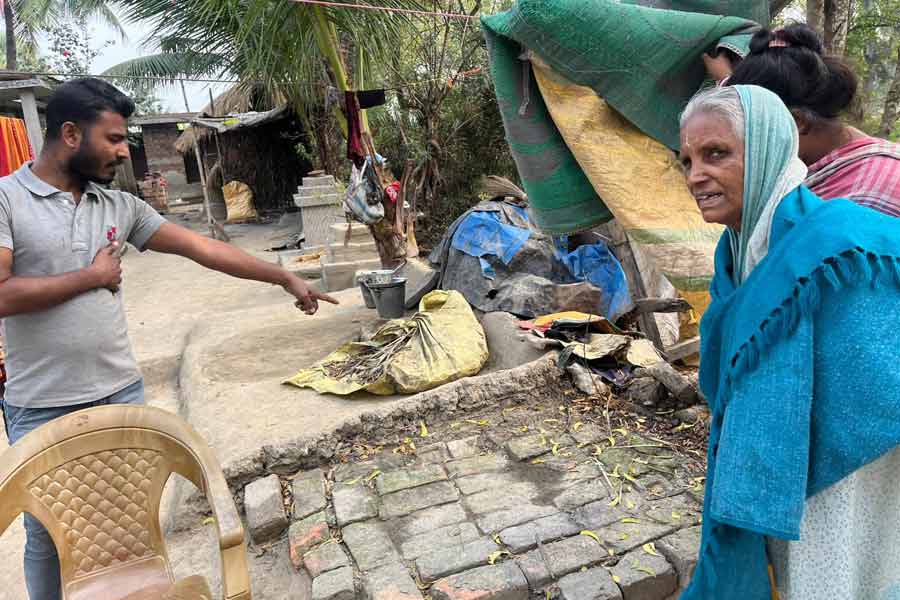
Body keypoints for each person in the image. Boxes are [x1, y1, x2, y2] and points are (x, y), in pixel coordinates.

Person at [0, 77, 337, 600]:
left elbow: (202, 249)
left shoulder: (118, 207)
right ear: (70, 133)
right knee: (51, 537)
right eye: (113, 138)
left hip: (120, 392)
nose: (122, 150)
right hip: (42, 405)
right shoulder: (6, 200)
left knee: (133, 529)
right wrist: (90, 278)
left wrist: (282, 276)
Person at [679, 84, 900, 599]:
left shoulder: (837, 243)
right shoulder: (734, 253)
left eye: (717, 154)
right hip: (775, 469)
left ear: (768, 150)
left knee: (832, 580)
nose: (696, 175)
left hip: (843, 478)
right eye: (686, 159)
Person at [704, 24, 900, 217]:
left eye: (754, 130)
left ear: (796, 123)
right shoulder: (835, 158)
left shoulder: (871, 199)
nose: (750, 145)